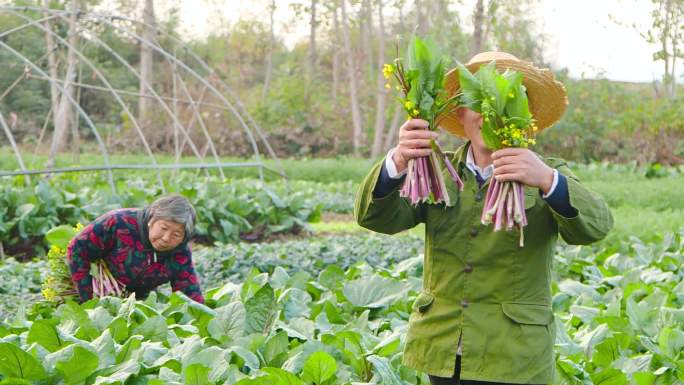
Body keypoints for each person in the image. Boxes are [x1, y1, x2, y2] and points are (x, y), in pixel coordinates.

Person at [354, 52, 613, 385]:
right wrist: (398, 160)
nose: (490, 113)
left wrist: (548, 180)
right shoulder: (434, 172)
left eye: (505, 100)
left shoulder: (547, 173)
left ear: (524, 116)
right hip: (444, 348)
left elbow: (596, 226)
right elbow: (375, 217)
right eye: (479, 100)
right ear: (460, 113)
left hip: (515, 357)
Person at [66, 194, 204, 303]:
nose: (166, 238)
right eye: (164, 228)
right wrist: (88, 299)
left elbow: (188, 295)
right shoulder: (119, 223)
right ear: (151, 220)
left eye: (176, 234)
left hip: (139, 302)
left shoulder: (180, 252)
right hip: (100, 293)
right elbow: (77, 249)